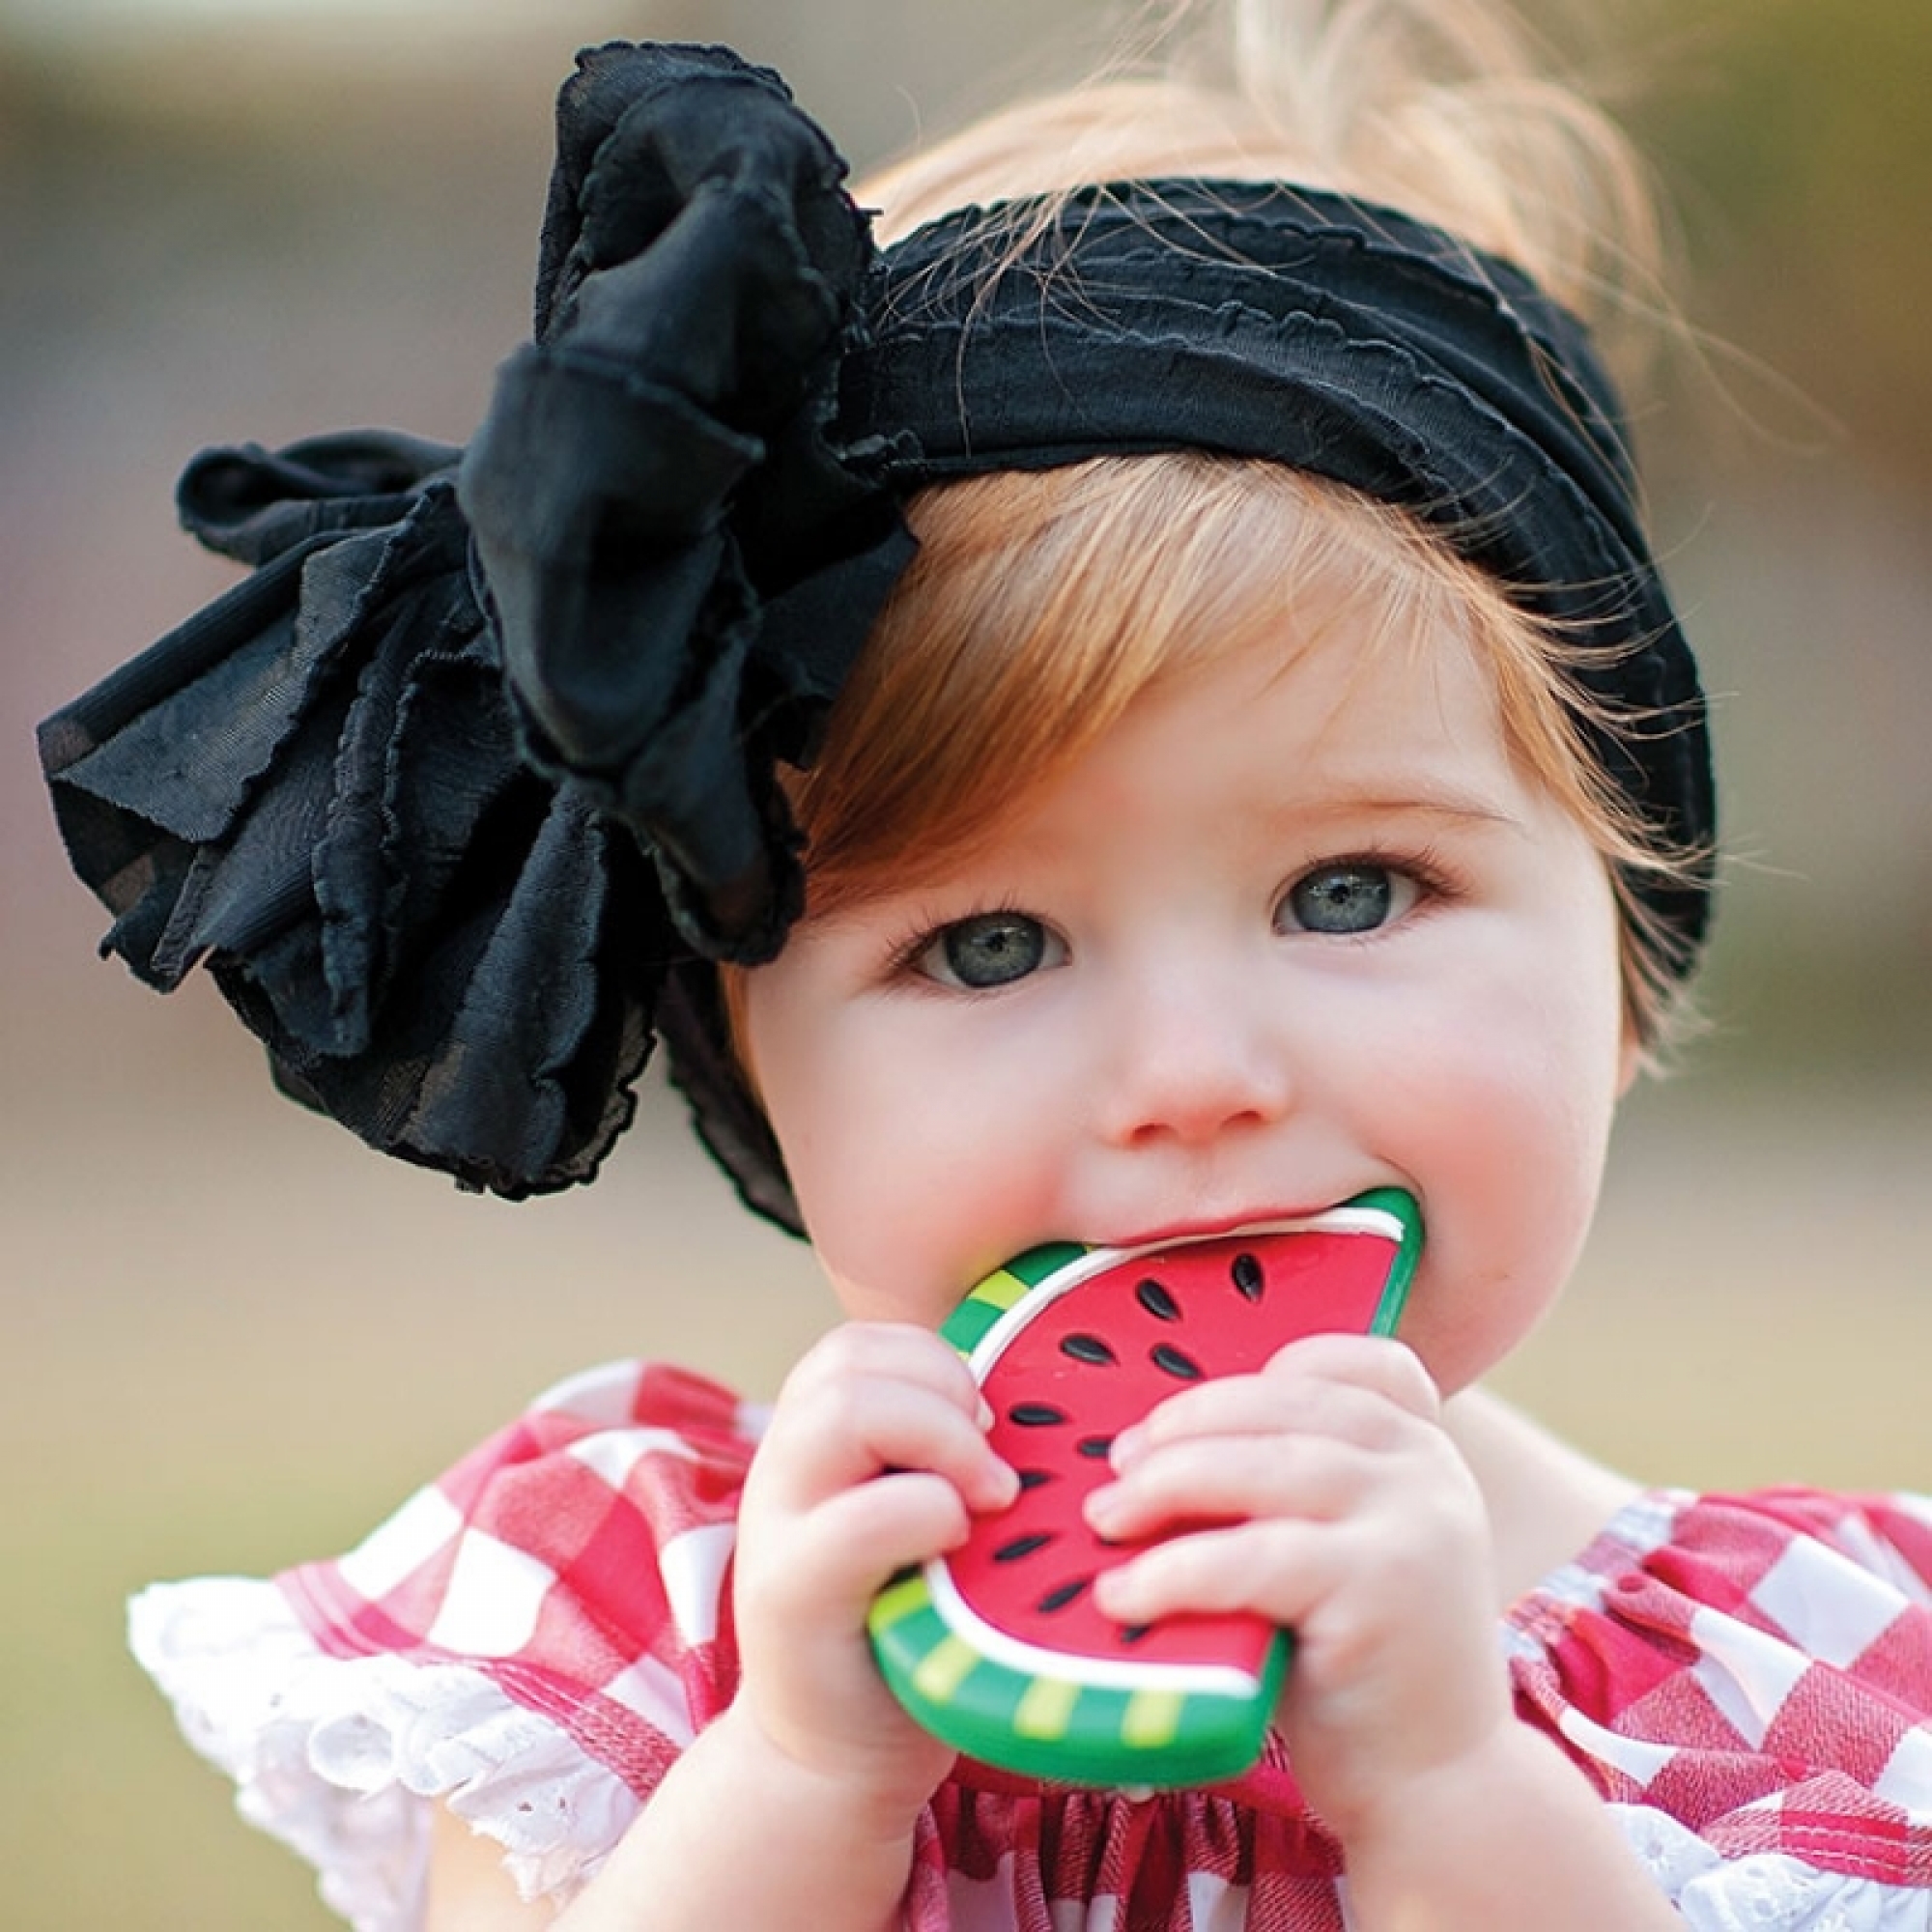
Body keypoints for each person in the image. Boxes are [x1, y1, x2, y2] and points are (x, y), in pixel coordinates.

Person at [37, 3, 1932, 1928]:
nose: (1196, 1072)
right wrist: (792, 1780)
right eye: (991, 940)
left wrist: (1456, 1799)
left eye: (1353, 890)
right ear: (753, 1061)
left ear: (1623, 938)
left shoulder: (1823, 1686)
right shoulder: (632, 1614)